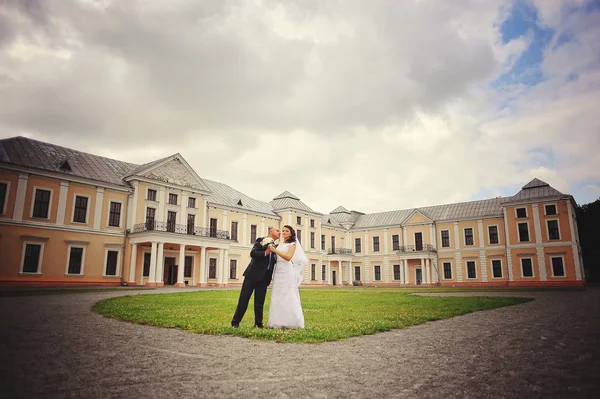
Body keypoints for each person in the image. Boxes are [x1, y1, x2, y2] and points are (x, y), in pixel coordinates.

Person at [231, 227, 281, 328]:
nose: (280, 232)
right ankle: (235, 322)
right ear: (271, 232)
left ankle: (258, 324)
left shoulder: (277, 247)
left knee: (260, 302)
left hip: (264, 278)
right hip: (252, 275)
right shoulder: (260, 240)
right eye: (277, 230)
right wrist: (266, 252)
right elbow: (253, 253)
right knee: (244, 299)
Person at [266, 225, 308, 329]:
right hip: (278, 271)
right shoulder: (280, 244)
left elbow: (288, 257)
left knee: (288, 294)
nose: (284, 232)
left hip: (287, 271)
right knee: (278, 295)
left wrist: (275, 251)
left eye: (286, 231)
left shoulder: (292, 244)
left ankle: (292, 321)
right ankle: (277, 321)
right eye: (283, 231)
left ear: (291, 233)